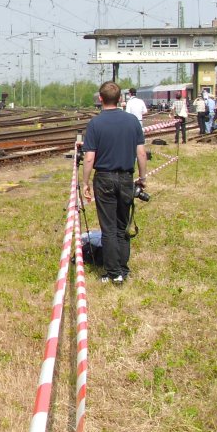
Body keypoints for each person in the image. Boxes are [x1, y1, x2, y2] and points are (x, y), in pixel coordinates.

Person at [82, 81, 148, 284]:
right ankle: (123, 268)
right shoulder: (132, 121)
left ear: (100, 99)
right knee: (122, 226)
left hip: (104, 178)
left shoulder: (95, 124)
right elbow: (141, 153)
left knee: (108, 227)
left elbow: (89, 158)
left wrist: (85, 182)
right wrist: (142, 178)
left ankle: (113, 272)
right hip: (126, 178)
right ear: (120, 99)